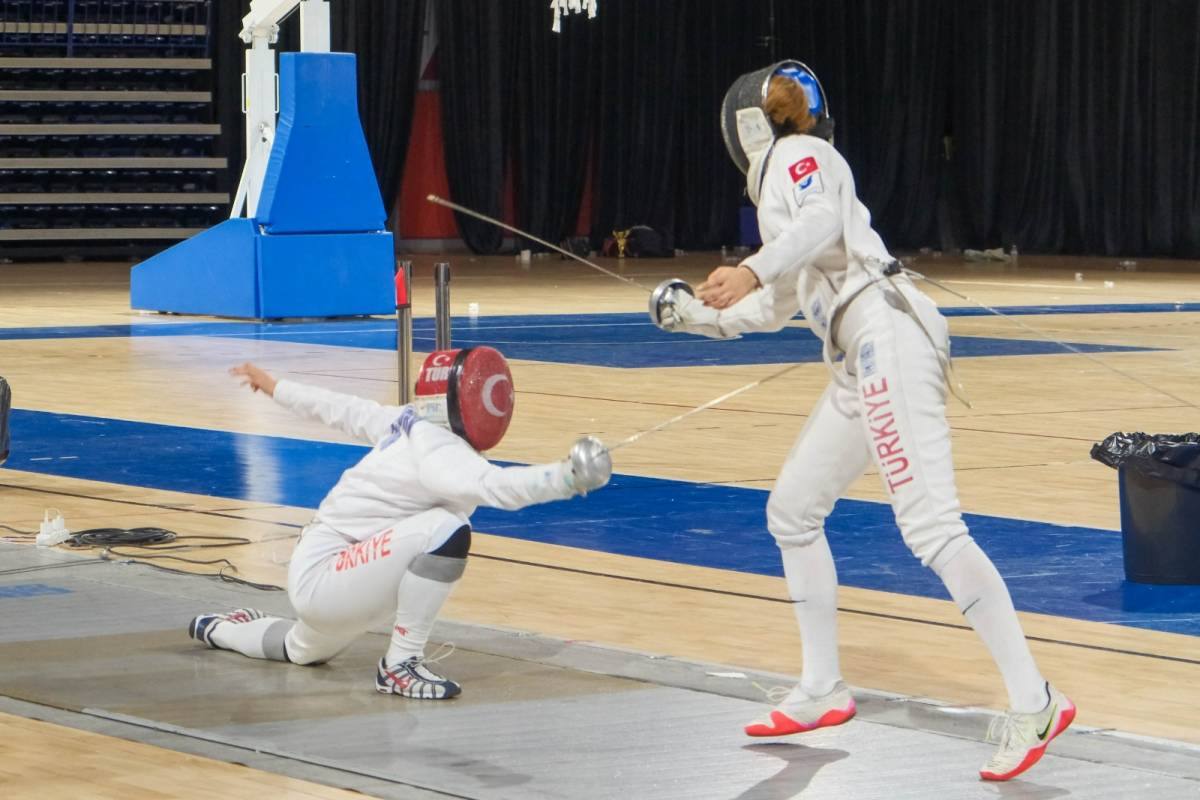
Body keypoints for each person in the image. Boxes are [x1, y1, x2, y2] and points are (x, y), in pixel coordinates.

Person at [650, 61, 1073, 781]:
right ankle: (822, 688)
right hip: (858, 351)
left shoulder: (800, 157)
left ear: (748, 126)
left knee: (933, 527)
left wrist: (751, 268)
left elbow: (811, 231)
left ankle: (1035, 701)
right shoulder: (784, 191)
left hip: (887, 335)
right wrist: (692, 314)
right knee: (792, 510)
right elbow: (775, 303)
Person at [188, 347, 612, 699]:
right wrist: (567, 478)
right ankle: (399, 664)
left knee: (300, 648)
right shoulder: (442, 454)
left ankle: (220, 629)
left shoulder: (410, 422)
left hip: (331, 572)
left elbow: (344, 410)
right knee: (446, 529)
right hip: (327, 573)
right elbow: (499, 487)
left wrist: (277, 387)